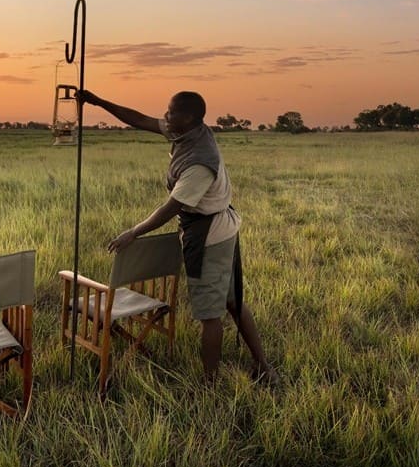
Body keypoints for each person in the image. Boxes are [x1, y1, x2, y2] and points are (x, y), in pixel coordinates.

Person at [78, 88, 275, 385]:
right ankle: (262, 365)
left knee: (212, 314)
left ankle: (210, 385)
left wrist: (134, 232)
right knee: (234, 302)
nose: (165, 116)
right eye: (167, 110)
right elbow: (140, 119)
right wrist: (99, 101)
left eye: (171, 112)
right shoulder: (187, 133)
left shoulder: (199, 162)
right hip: (219, 228)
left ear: (191, 118)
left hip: (210, 235)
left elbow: (172, 207)